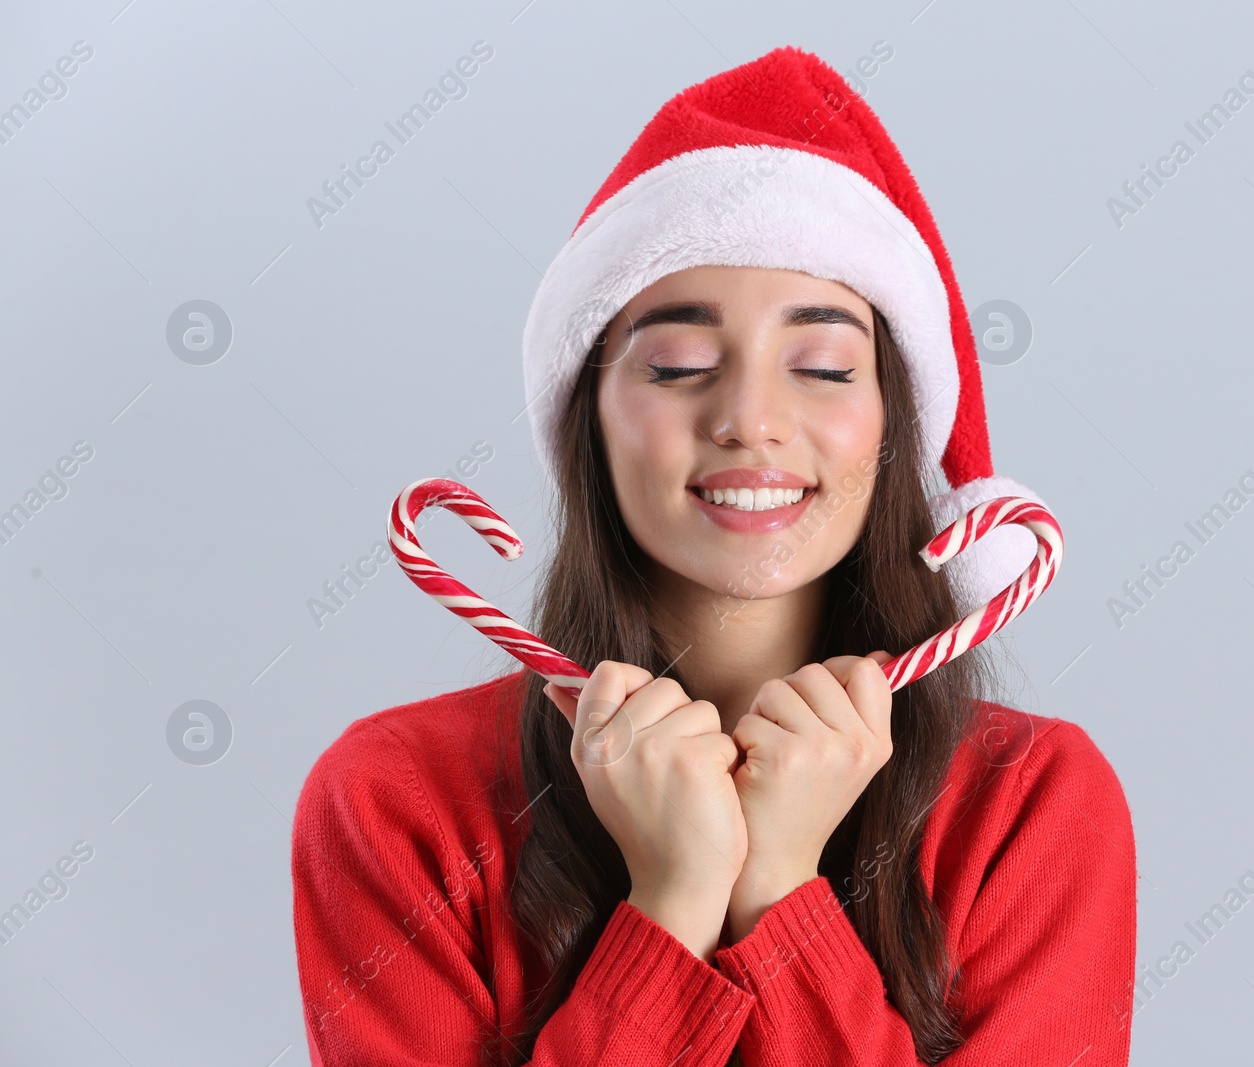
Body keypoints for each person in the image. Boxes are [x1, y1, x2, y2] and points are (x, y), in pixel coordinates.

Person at [291, 45, 1136, 1067]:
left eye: (823, 365)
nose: (749, 419)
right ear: (588, 420)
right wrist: (674, 898)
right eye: (679, 364)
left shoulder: (1032, 805)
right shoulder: (397, 801)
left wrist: (778, 886)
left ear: (891, 421)